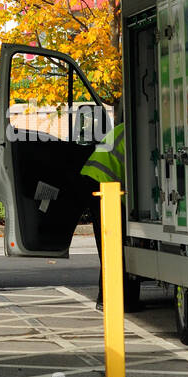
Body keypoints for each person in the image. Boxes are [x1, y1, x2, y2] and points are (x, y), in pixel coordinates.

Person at [79, 115, 125, 307]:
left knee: (109, 245)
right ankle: (107, 298)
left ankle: (113, 298)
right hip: (104, 185)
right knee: (114, 245)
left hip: (95, 179)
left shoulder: (126, 129)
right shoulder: (138, 133)